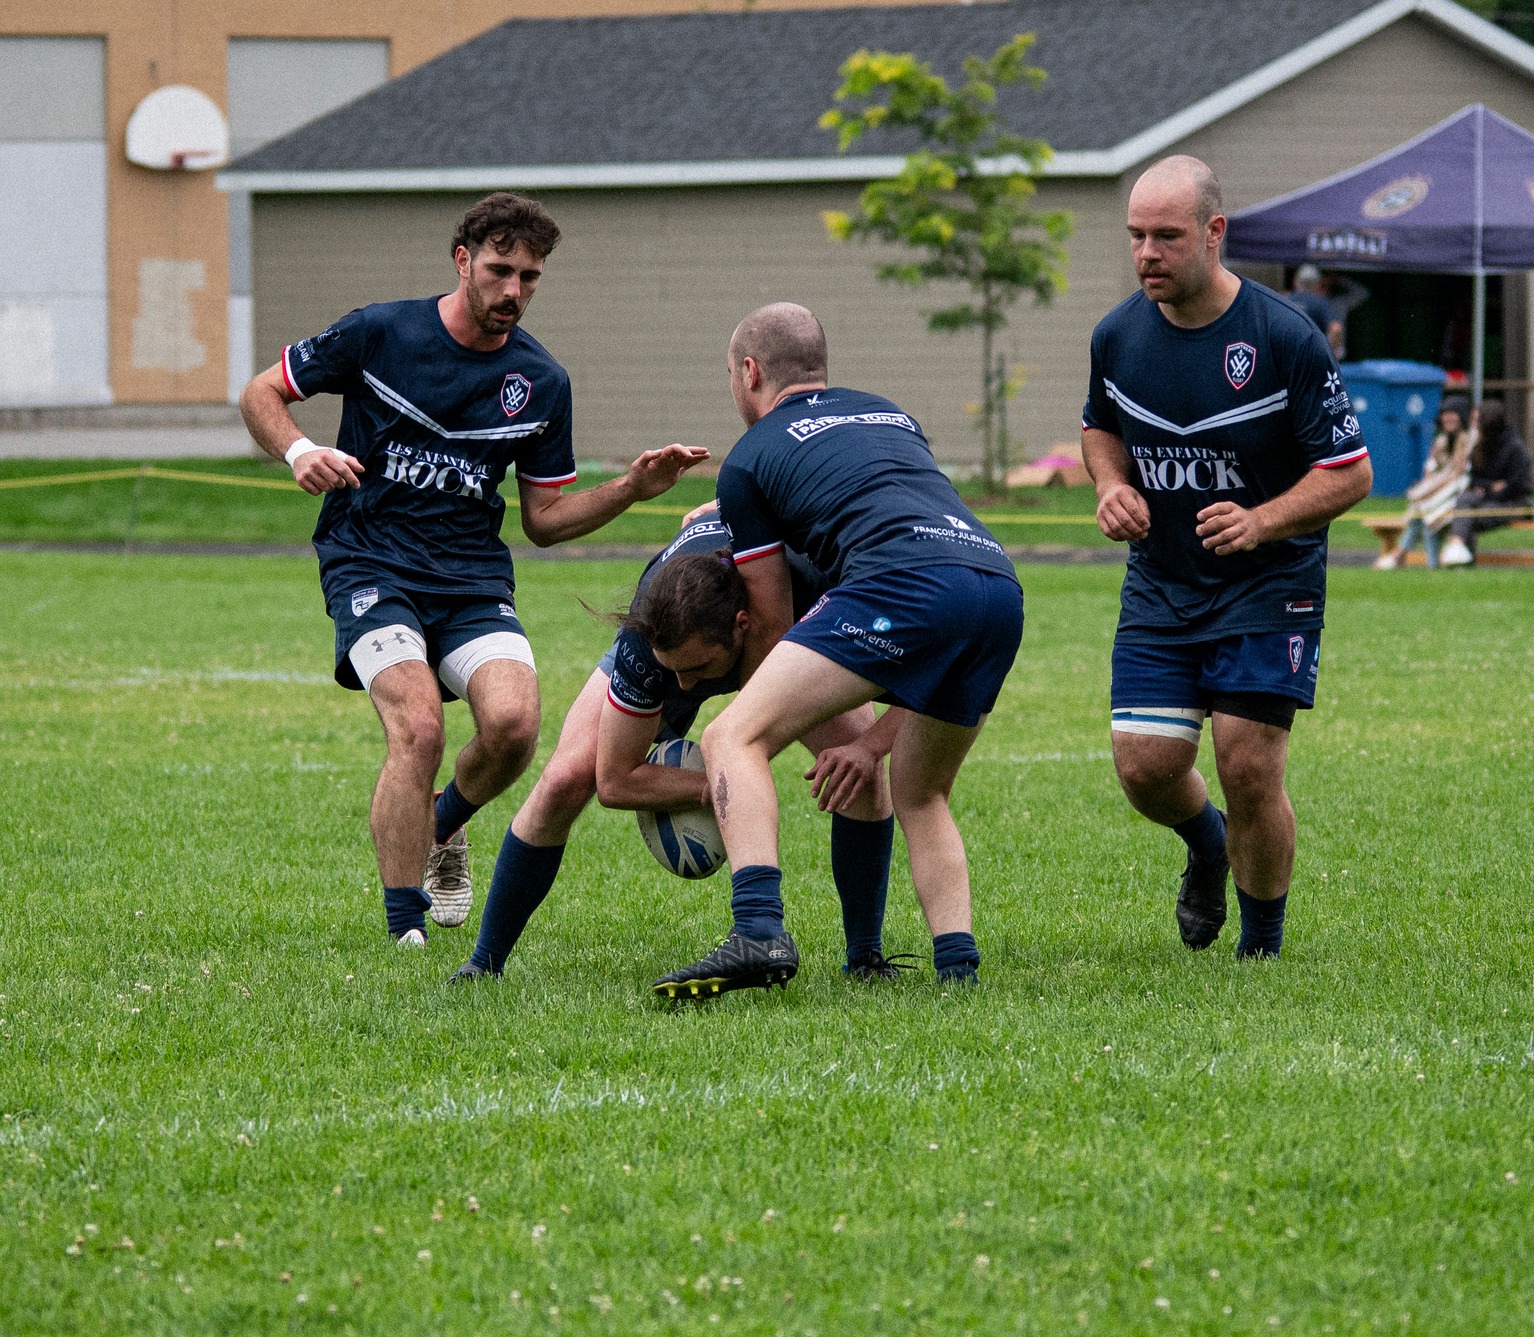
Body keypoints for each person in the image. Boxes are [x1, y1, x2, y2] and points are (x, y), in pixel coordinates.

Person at [239, 192, 705, 948]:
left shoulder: (541, 383)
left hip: (471, 579)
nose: (513, 290)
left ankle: (441, 825)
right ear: (463, 261)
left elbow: (545, 522)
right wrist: (301, 450)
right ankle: (404, 932)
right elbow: (261, 391)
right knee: (418, 726)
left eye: (530, 277)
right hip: (370, 561)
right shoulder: (380, 331)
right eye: (500, 270)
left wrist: (631, 488)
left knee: (517, 726)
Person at [650, 303, 1025, 999]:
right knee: (921, 789)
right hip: (996, 584)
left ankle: (758, 927)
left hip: (903, 582)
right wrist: (869, 743)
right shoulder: (888, 414)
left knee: (734, 733)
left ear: (749, 372)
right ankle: (958, 970)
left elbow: (769, 619)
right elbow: (873, 499)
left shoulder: (753, 455)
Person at [1083, 155, 1373, 961]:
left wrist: (1263, 520)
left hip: (1267, 584)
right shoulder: (1117, 336)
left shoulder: (1283, 337)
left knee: (1247, 766)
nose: (1146, 252)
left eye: (1166, 236)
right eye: (1136, 235)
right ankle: (1208, 845)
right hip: (1162, 583)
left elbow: (1352, 473)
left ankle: (1261, 949)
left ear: (1215, 234)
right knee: (1145, 767)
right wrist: (1110, 485)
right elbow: (1099, 426)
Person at [445, 506, 899, 983]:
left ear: (742, 625)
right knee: (565, 780)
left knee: (859, 772)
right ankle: (484, 963)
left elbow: (937, 680)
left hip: (794, 636)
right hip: (682, 631)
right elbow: (615, 782)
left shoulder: (813, 587)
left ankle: (865, 959)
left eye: (696, 669)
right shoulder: (651, 639)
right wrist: (716, 789)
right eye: (673, 670)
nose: (683, 687)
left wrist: (865, 749)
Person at [1376, 397, 1471, 570]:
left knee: (1426, 511)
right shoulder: (1441, 440)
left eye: (1453, 414)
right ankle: (1428, 564)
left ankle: (1401, 554)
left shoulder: (1466, 440)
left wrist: (1427, 492)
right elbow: (1432, 468)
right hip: (1440, 496)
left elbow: (1457, 474)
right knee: (1426, 513)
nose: (1448, 418)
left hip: (1460, 495)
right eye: (1445, 414)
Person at [1439, 402, 1530, 567]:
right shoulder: (1480, 446)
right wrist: (1491, 487)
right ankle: (1459, 555)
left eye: (1476, 420)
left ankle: (1460, 558)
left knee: (1465, 517)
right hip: (1487, 500)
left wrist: (1488, 490)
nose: (1472, 425)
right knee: (1465, 503)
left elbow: (1518, 486)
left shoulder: (1515, 448)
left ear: (1488, 422)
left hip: (1514, 504)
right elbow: (1474, 479)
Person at [1282, 264, 1343, 355]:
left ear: (1295, 281)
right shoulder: (1321, 302)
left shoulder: (1283, 299)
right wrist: (1330, 353)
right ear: (1318, 283)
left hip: (1286, 353)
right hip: (1311, 355)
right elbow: (1336, 329)